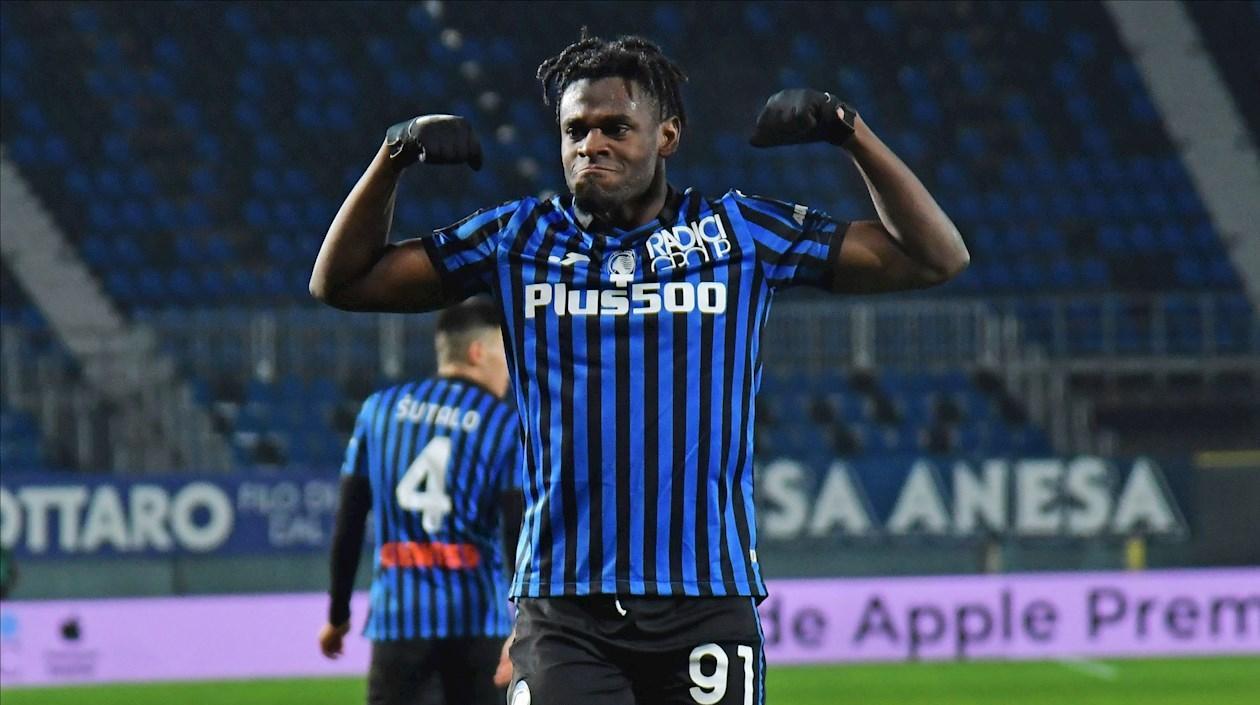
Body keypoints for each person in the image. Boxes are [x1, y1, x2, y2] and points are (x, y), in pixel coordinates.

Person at [311, 32, 968, 705]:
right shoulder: (517, 238)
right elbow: (341, 282)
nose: (590, 145)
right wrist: (391, 159)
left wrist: (848, 131)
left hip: (705, 597)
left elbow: (935, 256)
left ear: (667, 136)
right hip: (563, 607)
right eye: (575, 130)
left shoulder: (739, 233)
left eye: (615, 127)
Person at [318, 296, 522, 705]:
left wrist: (338, 614)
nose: (510, 367)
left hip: (399, 622)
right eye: (505, 352)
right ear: (477, 352)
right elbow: (517, 529)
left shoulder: (377, 412)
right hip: (476, 623)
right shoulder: (502, 423)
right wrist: (525, 625)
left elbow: (350, 519)